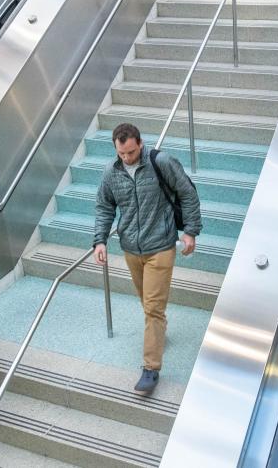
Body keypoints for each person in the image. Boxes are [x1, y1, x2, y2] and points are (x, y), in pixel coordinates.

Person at [93, 123, 202, 396]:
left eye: (131, 152)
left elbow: (188, 193)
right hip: (131, 248)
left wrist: (190, 231)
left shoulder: (161, 162)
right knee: (148, 302)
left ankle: (150, 368)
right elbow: (104, 207)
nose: (127, 158)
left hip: (160, 246)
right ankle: (158, 333)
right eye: (122, 154)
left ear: (140, 144)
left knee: (152, 307)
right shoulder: (111, 172)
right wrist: (100, 240)